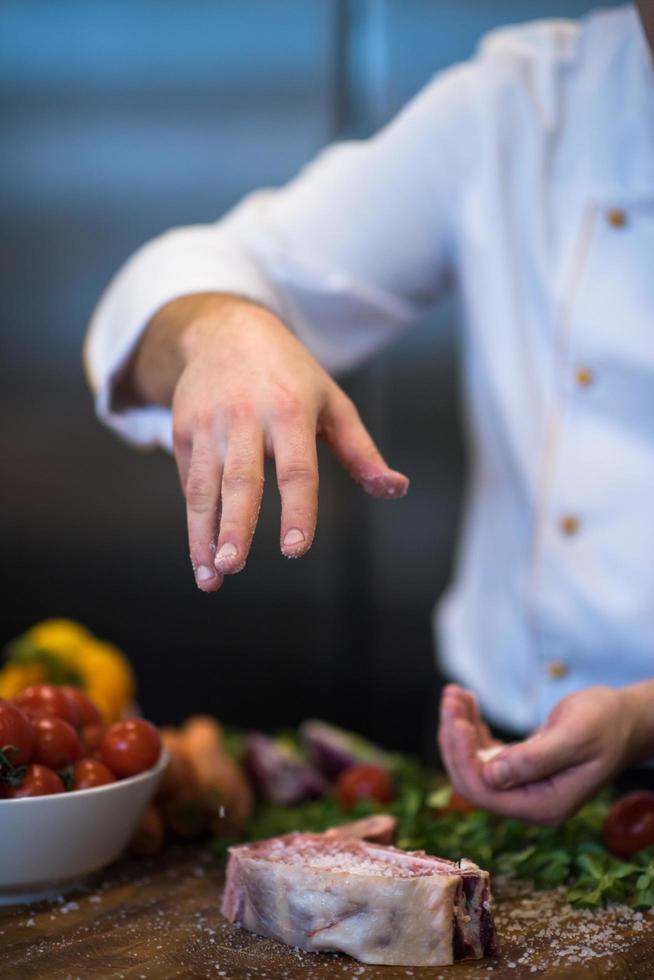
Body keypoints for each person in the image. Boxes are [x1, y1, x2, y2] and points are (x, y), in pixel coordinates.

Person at [85, 4, 654, 823]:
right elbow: (203, 272)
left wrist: (639, 716)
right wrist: (218, 327)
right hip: (496, 746)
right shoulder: (530, 103)